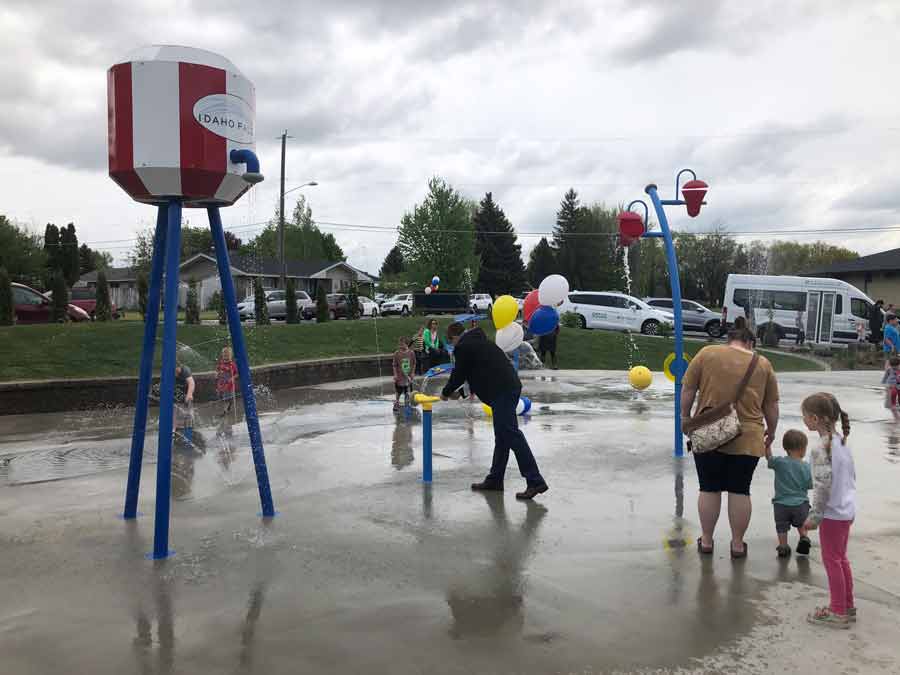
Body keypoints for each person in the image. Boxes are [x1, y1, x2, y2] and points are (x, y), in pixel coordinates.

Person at [681, 321, 780, 559]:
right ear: (750, 342)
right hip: (748, 437)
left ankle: (706, 540)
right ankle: (737, 544)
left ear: (730, 340)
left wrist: (685, 417)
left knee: (709, 487)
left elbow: (688, 389)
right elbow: (771, 404)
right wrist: (772, 431)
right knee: (740, 490)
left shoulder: (707, 353)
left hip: (709, 433)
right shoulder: (763, 363)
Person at [441, 321, 548, 500]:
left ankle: (535, 481)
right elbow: (478, 374)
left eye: (452, 343)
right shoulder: (478, 343)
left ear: (454, 338)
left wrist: (445, 393)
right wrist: (459, 394)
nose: (453, 348)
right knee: (503, 437)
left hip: (502, 391)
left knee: (511, 435)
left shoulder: (464, 347)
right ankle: (495, 480)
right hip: (507, 387)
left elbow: (459, 374)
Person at [801, 392, 856, 629]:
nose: (804, 420)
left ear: (814, 419)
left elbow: (822, 486)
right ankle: (847, 605)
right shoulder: (842, 443)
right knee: (841, 558)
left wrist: (815, 516)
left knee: (831, 560)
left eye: (804, 416)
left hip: (832, 514)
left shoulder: (820, 449)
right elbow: (851, 478)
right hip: (847, 510)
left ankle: (837, 612)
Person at [765, 429, 813, 558]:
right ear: (802, 449)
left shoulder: (780, 462)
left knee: (781, 527)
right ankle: (803, 537)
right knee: (802, 523)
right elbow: (810, 485)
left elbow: (769, 459)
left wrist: (767, 446)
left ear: (785, 448)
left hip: (780, 504)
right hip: (800, 503)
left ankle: (783, 547)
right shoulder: (807, 467)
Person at [392, 336, 416, 411]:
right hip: (400, 376)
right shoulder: (397, 353)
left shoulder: (411, 353)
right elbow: (394, 365)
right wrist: (395, 374)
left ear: (407, 344)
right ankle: (397, 402)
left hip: (408, 376)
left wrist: (412, 373)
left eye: (402, 344)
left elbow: (414, 363)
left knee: (407, 391)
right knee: (398, 391)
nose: (401, 346)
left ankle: (407, 403)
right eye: (400, 344)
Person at [174, 363, 195, 444]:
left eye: (176, 370)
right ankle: (177, 438)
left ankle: (188, 437)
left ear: (179, 366)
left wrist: (189, 394)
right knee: (176, 419)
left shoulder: (185, 370)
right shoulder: (168, 370)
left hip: (186, 397)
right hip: (176, 398)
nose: (176, 373)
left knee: (188, 417)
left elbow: (191, 383)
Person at [881, 355, 900, 420]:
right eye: (893, 366)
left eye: (896, 366)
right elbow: (885, 376)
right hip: (890, 386)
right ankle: (897, 418)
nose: (894, 368)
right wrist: (884, 383)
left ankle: (896, 414)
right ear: (891, 365)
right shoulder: (889, 369)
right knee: (891, 403)